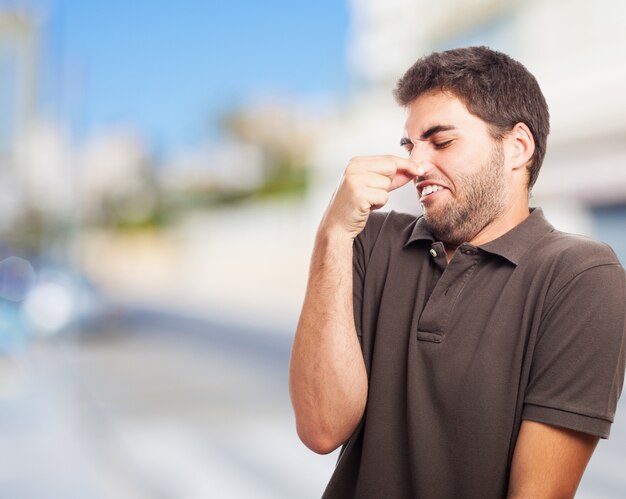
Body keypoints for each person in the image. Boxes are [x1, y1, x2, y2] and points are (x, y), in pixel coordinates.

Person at [289, 46, 626, 498]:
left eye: (441, 141)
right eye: (410, 144)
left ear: (517, 147)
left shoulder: (580, 276)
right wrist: (332, 234)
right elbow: (321, 428)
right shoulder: (369, 239)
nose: (416, 166)